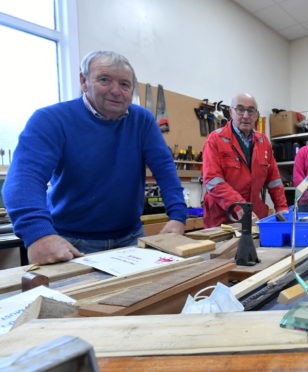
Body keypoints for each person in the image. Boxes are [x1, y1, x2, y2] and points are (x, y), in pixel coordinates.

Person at [2, 50, 186, 265]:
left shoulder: (142, 121)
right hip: (69, 243)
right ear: (84, 81)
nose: (116, 91)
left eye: (124, 84)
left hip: (131, 238)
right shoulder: (50, 119)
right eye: (104, 80)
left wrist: (177, 215)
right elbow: (23, 179)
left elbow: (164, 170)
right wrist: (38, 233)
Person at [202, 93, 288, 227]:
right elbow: (212, 181)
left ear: (256, 114)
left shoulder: (263, 141)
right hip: (222, 218)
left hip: (254, 215)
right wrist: (238, 206)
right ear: (231, 112)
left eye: (251, 110)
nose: (246, 116)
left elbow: (274, 180)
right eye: (240, 110)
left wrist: (282, 208)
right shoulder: (215, 140)